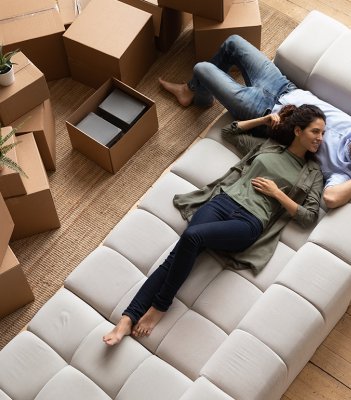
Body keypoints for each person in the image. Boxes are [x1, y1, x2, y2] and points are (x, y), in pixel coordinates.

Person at [103, 103, 326, 344]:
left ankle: (160, 306)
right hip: (222, 202)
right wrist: (262, 121)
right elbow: (230, 132)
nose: (320, 139)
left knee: (191, 237)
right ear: (297, 130)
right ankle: (128, 318)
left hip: (249, 221)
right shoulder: (270, 146)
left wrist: (278, 194)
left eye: (322, 133)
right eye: (315, 131)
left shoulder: (313, 173)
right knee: (176, 255)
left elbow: (309, 216)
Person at [159, 35, 351, 209]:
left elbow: (331, 199)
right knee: (232, 43)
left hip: (264, 114)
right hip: (284, 86)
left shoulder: (343, 172)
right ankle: (192, 91)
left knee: (202, 68)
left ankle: (197, 95)